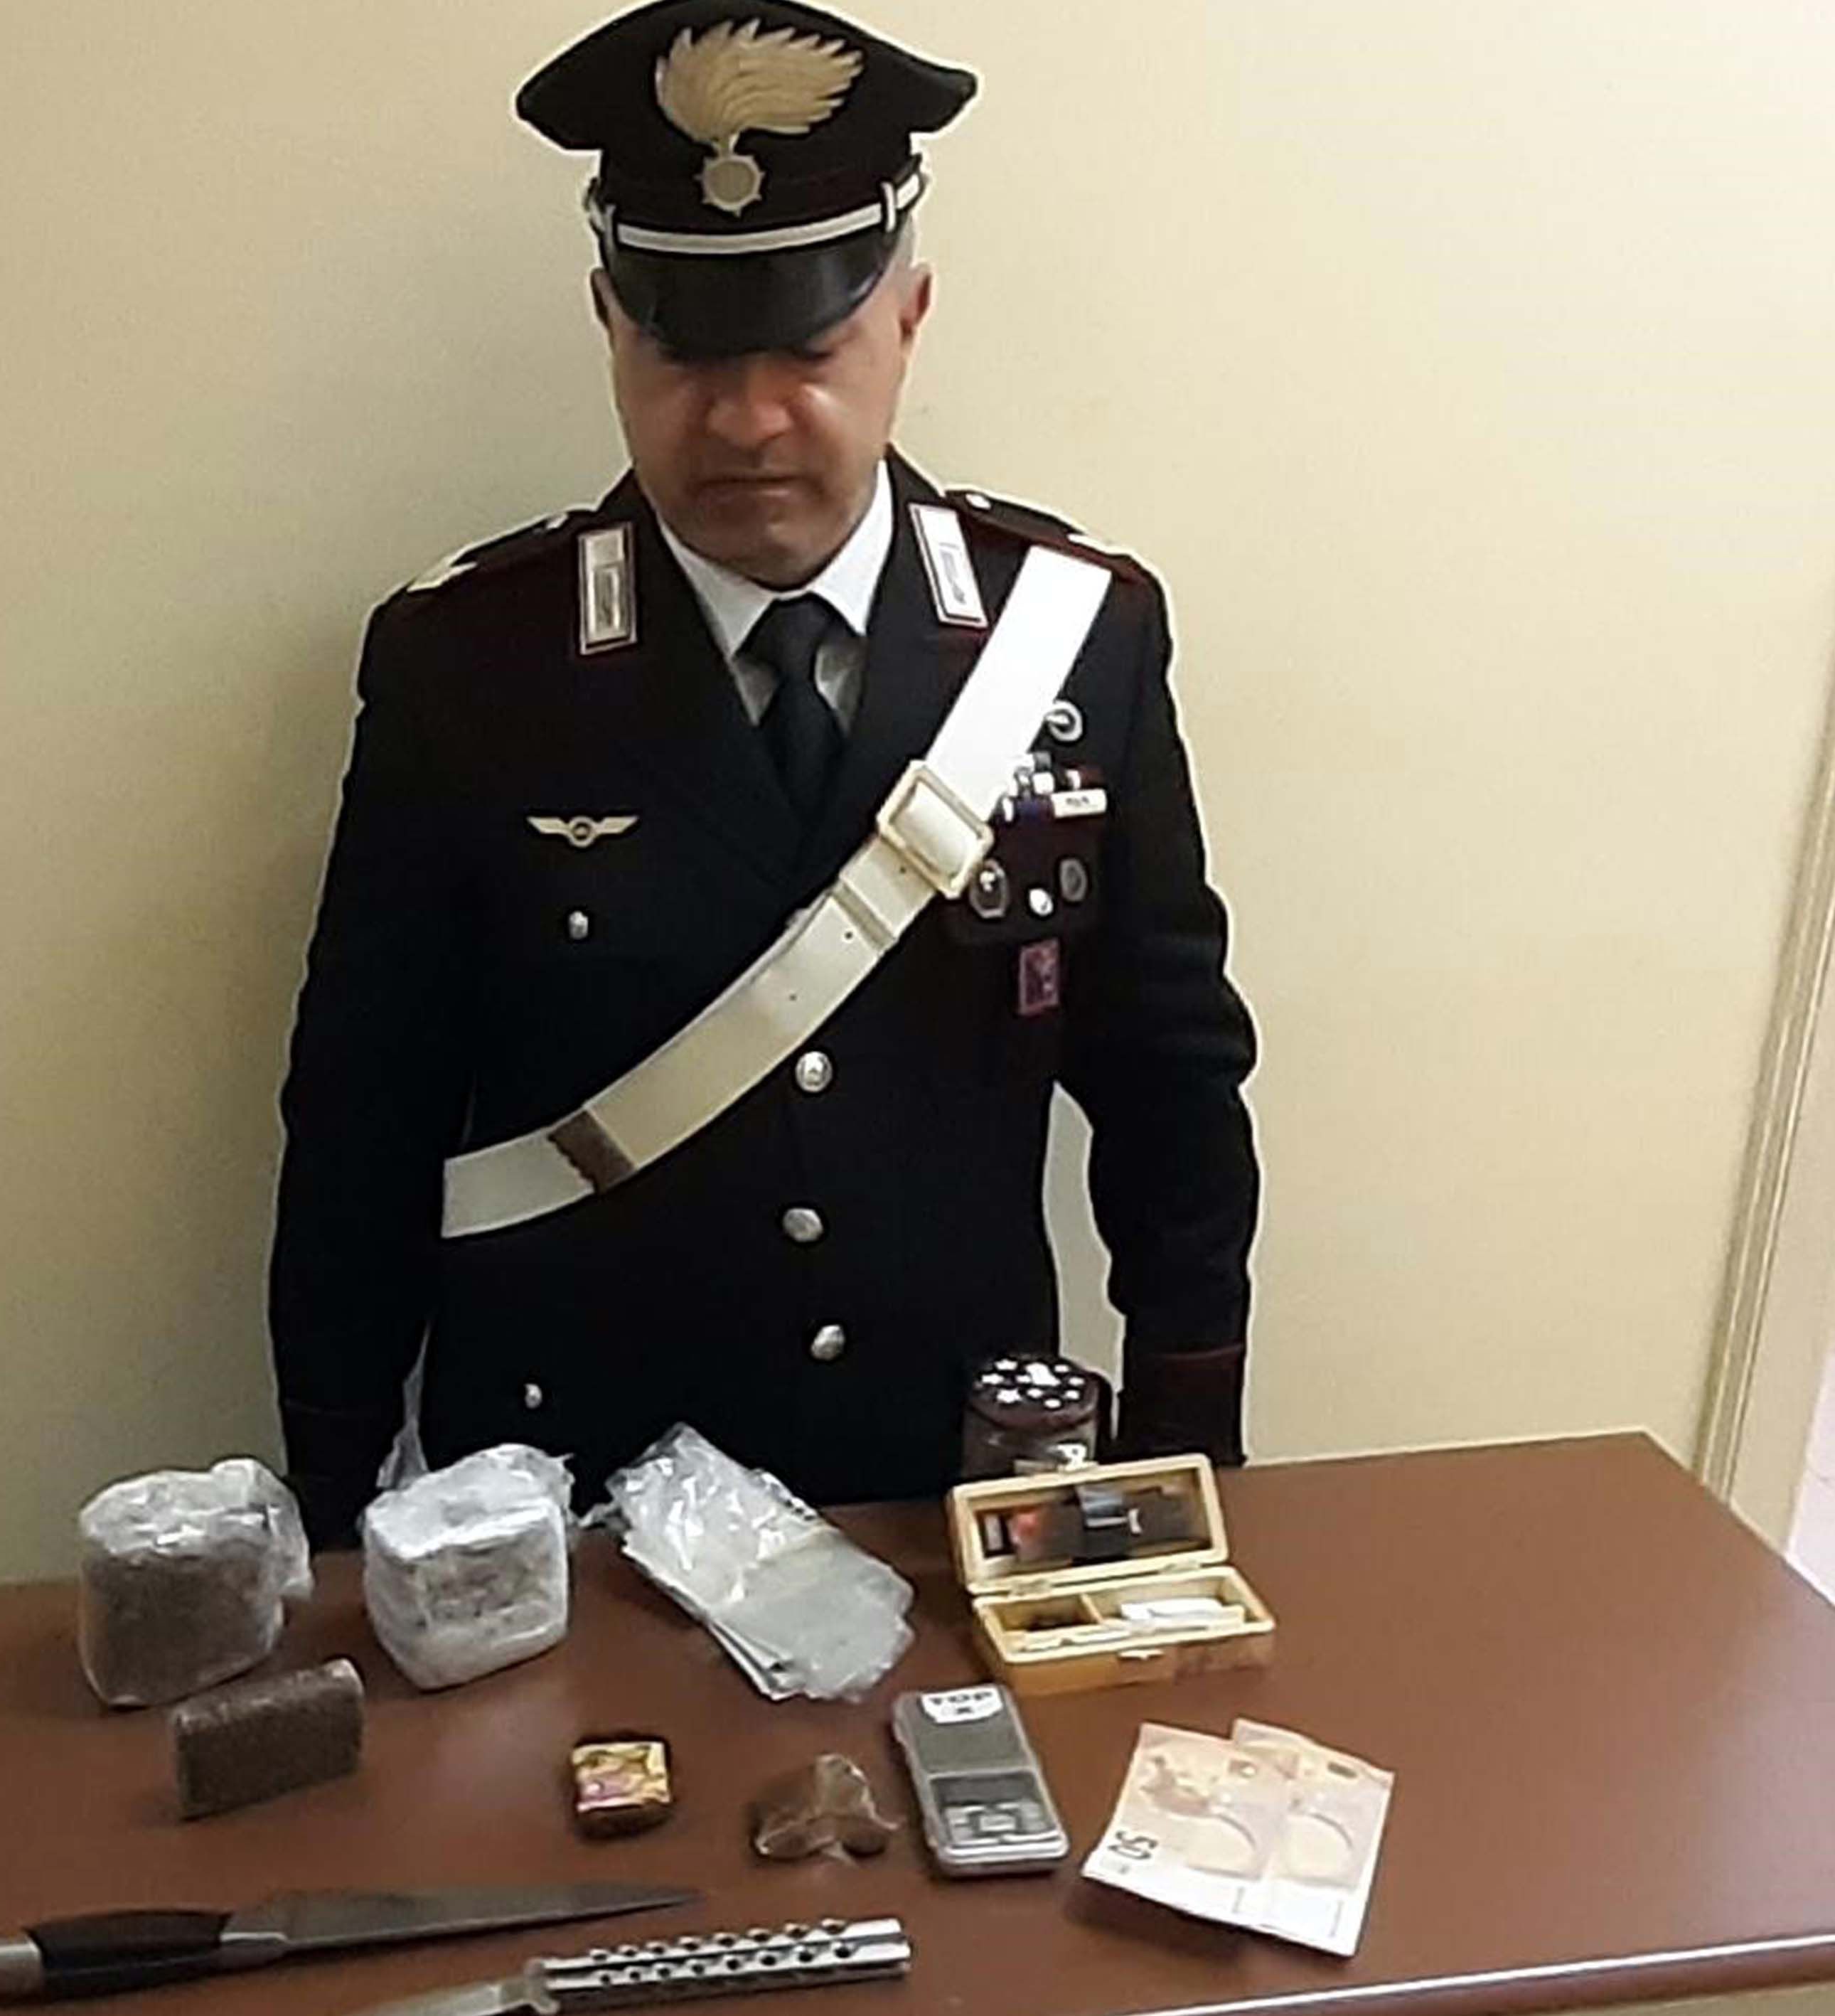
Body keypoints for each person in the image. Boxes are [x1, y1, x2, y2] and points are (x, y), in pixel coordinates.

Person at [269, 0, 1260, 1543]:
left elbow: (1171, 1089)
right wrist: (334, 1509)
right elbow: (361, 1120)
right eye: (682, 351)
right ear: (607, 322)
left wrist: (1187, 1448)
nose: (744, 420)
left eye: (807, 348)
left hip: (947, 1495)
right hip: (569, 1512)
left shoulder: (1073, 639)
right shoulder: (463, 666)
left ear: (908, 318)